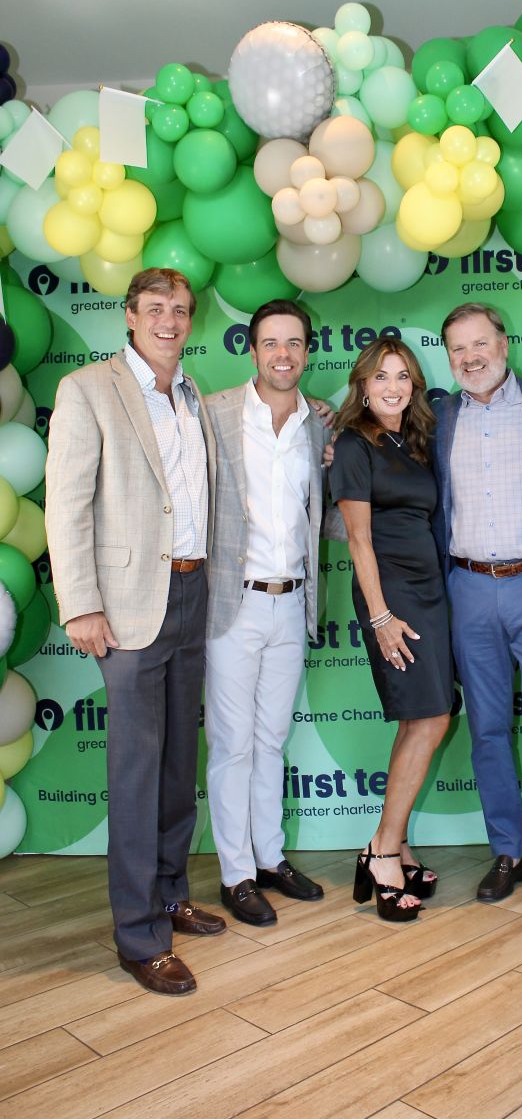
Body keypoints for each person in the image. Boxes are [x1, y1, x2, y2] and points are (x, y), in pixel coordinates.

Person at [45, 268, 225, 997]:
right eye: (155, 309)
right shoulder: (89, 390)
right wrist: (81, 604)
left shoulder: (193, 396)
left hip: (192, 591)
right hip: (124, 606)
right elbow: (67, 503)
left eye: (180, 310)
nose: (169, 320)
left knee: (180, 761)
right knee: (137, 769)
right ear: (128, 316)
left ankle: (171, 890)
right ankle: (138, 935)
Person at [433, 304, 522, 926]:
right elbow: (372, 429)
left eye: (479, 343)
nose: (470, 357)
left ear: (504, 344)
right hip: (467, 587)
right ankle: (505, 853)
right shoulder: (436, 416)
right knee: (487, 728)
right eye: (457, 349)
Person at [204, 299, 341, 925]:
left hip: (294, 604)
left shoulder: (320, 425)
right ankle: (235, 874)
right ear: (252, 350)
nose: (282, 354)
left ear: (307, 351)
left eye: (294, 343)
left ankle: (268, 856)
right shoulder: (215, 414)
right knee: (233, 746)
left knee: (270, 739)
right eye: (270, 343)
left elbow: (330, 516)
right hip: (232, 605)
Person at [330, 337, 453, 922]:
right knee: (431, 717)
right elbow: (358, 539)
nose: (393, 387)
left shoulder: (416, 440)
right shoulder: (354, 445)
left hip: (430, 593)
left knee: (420, 717)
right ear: (362, 385)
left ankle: (395, 843)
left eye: (403, 376)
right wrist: (380, 616)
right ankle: (380, 851)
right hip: (392, 595)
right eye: (381, 377)